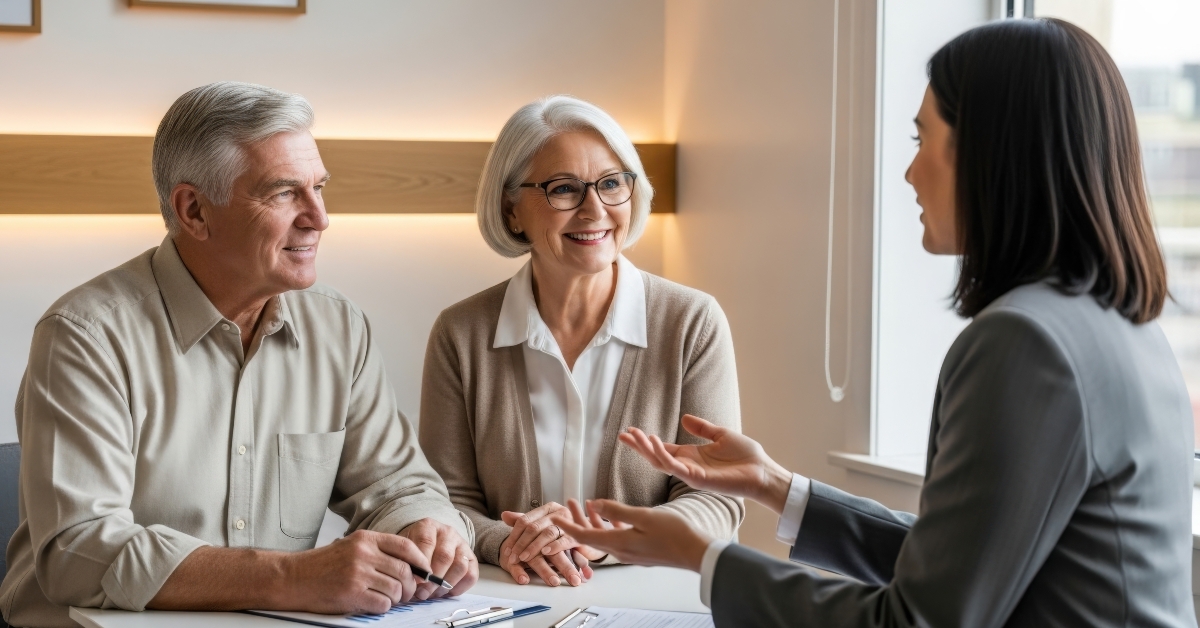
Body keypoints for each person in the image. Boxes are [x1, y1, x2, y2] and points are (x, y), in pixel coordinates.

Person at [554, 18, 1196, 627]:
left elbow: (917, 617)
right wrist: (774, 485)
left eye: (923, 140)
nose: (911, 173)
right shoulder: (1122, 325)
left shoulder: (1025, 345)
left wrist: (703, 556)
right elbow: (958, 569)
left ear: (991, 152)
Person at [0, 82, 478, 628]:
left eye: (320, 188)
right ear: (194, 210)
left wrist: (427, 527)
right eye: (283, 193)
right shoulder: (85, 336)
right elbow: (79, 553)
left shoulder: (340, 328)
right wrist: (294, 577)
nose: (319, 217)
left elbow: (400, 486)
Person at [418, 95, 744, 588]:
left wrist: (605, 535)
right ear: (512, 211)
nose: (595, 210)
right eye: (564, 189)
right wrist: (508, 541)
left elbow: (718, 501)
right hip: (510, 600)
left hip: (656, 602)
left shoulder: (691, 322)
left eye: (612, 184)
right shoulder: (460, 333)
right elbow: (446, 501)